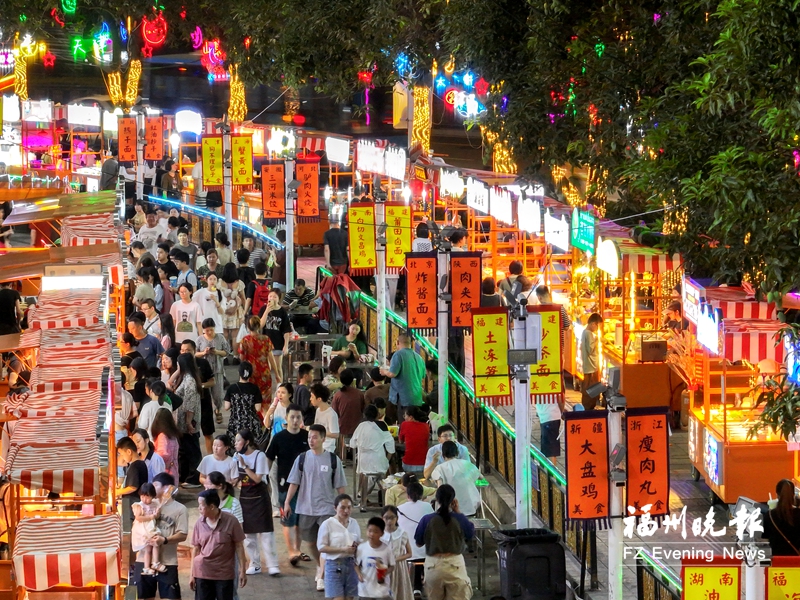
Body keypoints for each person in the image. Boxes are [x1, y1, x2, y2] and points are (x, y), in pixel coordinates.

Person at [284, 424, 348, 591]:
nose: (311, 440)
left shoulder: (333, 460)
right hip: (306, 508)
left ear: (323, 439)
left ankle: (323, 575)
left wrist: (344, 506)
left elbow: (340, 486)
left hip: (327, 508)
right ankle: (322, 565)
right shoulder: (302, 458)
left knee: (325, 541)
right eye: (309, 437)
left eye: (314, 437)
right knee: (311, 542)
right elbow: (294, 482)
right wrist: (287, 502)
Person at [265, 403, 310, 566]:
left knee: (300, 520)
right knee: (288, 519)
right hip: (285, 485)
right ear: (286, 418)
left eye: (298, 417)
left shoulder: (307, 437)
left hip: (305, 487)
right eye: (292, 417)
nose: (295, 420)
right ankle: (292, 551)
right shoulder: (279, 437)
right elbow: (268, 459)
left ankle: (297, 549)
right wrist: (263, 478)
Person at [133, 472, 189, 600]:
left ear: (168, 488)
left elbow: (183, 534)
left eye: (156, 485)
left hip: (167, 562)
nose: (152, 487)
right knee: (142, 596)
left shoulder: (180, 509)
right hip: (143, 560)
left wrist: (164, 540)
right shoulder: (143, 505)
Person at [413, 485, 475, 600]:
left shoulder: (426, 519)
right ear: (453, 500)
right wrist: (458, 511)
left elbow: (418, 543)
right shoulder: (459, 519)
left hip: (433, 566)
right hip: (454, 565)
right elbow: (470, 534)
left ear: (436, 500)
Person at [233, 429, 280, 576]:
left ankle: (272, 564)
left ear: (247, 442)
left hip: (260, 498)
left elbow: (258, 478)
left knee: (266, 533)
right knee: (248, 535)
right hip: (245, 499)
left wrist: (244, 466)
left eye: (238, 441)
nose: (235, 444)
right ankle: (255, 563)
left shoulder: (259, 456)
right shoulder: (236, 456)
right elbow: (235, 478)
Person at [190, 490, 248, 600]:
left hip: (224, 574)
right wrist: (192, 574)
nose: (199, 509)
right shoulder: (199, 523)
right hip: (202, 572)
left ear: (212, 507)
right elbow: (196, 549)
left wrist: (242, 571)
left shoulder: (231, 521)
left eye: (201, 506)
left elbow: (239, 546)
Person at [349, 405, 395, 511]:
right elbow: (391, 447)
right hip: (378, 460)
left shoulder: (361, 426)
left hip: (363, 461)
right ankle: (384, 500)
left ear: (364, 415)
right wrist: (387, 460)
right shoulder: (382, 425)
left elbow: (352, 444)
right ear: (377, 415)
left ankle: (363, 503)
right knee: (379, 475)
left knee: (367, 476)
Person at [317, 494, 361, 599]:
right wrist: (343, 549)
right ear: (335, 508)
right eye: (342, 507)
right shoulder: (327, 524)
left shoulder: (354, 523)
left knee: (350, 597)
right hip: (334, 566)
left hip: (351, 565)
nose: (346, 511)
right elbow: (321, 547)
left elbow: (358, 541)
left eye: (349, 508)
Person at [180, 339, 217, 456]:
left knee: (208, 433)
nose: (185, 353)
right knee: (190, 435)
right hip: (187, 406)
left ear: (195, 351)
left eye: (188, 350)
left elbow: (212, 381)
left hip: (203, 402)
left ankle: (211, 458)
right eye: (183, 350)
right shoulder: (179, 365)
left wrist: (201, 386)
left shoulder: (203, 363)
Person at [171, 352, 203, 487]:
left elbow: (190, 404)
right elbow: (169, 383)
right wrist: (179, 370)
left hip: (189, 420)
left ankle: (194, 478)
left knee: (192, 450)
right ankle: (184, 476)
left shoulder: (189, 381)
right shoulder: (184, 377)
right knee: (184, 449)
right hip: (182, 421)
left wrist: (189, 422)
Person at [381, 334, 426, 422]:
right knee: (415, 423)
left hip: (403, 397)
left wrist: (384, 371)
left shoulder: (398, 355)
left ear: (397, 342)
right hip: (416, 397)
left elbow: (392, 374)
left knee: (405, 423)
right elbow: (423, 375)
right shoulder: (419, 357)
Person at [431, 441, 482, 517]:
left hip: (449, 511)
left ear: (443, 455)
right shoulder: (467, 464)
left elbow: (440, 489)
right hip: (470, 507)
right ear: (457, 453)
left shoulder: (439, 469)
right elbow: (481, 478)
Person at [197, 319, 230, 422]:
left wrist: (217, 352)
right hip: (204, 371)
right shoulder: (199, 340)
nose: (209, 332)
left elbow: (226, 352)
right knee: (205, 394)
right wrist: (203, 353)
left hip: (217, 369)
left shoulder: (220, 338)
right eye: (207, 330)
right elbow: (195, 353)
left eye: (211, 330)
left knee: (218, 393)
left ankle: (218, 409)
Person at [238, 315, 277, 400]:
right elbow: (271, 357)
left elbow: (242, 358)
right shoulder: (266, 339)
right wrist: (277, 374)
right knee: (265, 400)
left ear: (248, 327)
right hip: (264, 372)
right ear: (259, 326)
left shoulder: (244, 340)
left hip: (250, 373)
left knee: (251, 399)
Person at [355, 516, 395, 600]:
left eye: (376, 532)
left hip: (382, 591)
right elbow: (356, 564)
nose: (372, 534)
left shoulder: (386, 549)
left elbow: (392, 565)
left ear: (382, 533)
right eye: (370, 531)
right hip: (365, 590)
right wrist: (359, 574)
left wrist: (384, 573)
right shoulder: (361, 548)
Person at [259, 288, 292, 383]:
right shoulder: (263, 309)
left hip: (278, 343)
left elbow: (286, 330)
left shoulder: (282, 312)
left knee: (278, 368)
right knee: (267, 368)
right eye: (270, 296)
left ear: (278, 299)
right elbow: (260, 325)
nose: (272, 298)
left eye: (274, 297)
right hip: (266, 343)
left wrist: (286, 346)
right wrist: (267, 311)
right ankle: (266, 387)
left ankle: (279, 387)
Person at [224, 362, 264, 441]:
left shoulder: (231, 388)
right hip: (251, 423)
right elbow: (258, 408)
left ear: (238, 372)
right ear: (251, 374)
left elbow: (226, 407)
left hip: (236, 423)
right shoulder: (255, 388)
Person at [380, 507, 413, 600]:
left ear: (397, 518)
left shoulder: (402, 534)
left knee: (399, 593)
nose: (389, 521)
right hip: (383, 568)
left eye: (392, 517)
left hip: (399, 568)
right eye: (386, 518)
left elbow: (409, 553)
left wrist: (396, 559)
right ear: (382, 518)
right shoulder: (379, 534)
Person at [132, 482, 165, 575]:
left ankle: (154, 563)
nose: (144, 499)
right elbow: (138, 517)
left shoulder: (155, 504)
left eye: (147, 497)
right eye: (142, 496)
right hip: (143, 528)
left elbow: (157, 516)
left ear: (152, 496)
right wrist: (151, 517)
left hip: (151, 527)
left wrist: (156, 514)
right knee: (148, 548)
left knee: (154, 544)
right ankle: (148, 566)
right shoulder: (139, 505)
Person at [762, 479, 800, 556]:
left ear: (777, 494)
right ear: (793, 494)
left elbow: (764, 536)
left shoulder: (770, 515)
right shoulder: (798, 513)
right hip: (796, 560)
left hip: (777, 560)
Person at [219, 263, 246, 355]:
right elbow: (243, 298)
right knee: (235, 336)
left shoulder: (220, 283)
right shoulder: (239, 283)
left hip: (223, 311)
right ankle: (235, 356)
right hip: (237, 312)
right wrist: (245, 311)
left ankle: (224, 356)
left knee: (225, 335)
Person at [332, 369, 365, 442]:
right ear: (353, 380)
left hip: (342, 429)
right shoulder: (359, 394)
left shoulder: (337, 395)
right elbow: (363, 409)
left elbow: (334, 413)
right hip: (357, 428)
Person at [117, 436, 150, 506]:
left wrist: (117, 492)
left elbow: (133, 487)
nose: (122, 457)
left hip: (133, 503)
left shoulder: (135, 465)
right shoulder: (137, 464)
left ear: (129, 452)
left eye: (122, 454)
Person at [580, 313, 603, 410]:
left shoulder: (585, 332)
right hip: (591, 366)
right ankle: (588, 408)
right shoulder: (589, 334)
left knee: (588, 388)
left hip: (588, 365)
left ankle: (588, 407)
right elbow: (590, 349)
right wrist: (598, 340)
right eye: (598, 326)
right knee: (591, 389)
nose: (598, 329)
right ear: (593, 324)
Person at [151, 407, 180, 484]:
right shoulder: (173, 435)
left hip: (165, 472)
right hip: (173, 470)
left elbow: (162, 454)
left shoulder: (162, 436)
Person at [399, 407, 429, 474]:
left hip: (408, 463)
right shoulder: (426, 426)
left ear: (411, 417)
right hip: (424, 463)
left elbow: (400, 441)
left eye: (405, 416)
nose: (404, 418)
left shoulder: (404, 424)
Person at [312, 383, 340, 454]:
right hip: (317, 445)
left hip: (327, 447)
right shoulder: (318, 410)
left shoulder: (331, 414)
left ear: (319, 399)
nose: (310, 399)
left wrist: (320, 432)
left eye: (312, 397)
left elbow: (335, 434)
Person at [535, 396, 564, 464]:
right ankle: (549, 468)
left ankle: (552, 469)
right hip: (553, 415)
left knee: (549, 445)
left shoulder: (535, 386)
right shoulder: (555, 386)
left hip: (546, 416)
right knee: (551, 443)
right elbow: (561, 398)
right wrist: (562, 411)